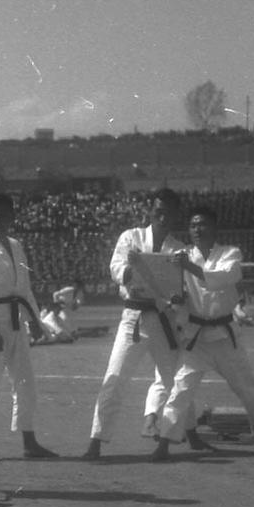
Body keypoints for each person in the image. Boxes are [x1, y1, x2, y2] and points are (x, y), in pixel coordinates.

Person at [82, 190, 208, 460]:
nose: (162, 217)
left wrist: (179, 296)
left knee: (176, 381)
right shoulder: (131, 237)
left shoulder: (179, 250)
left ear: (176, 215)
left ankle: (193, 434)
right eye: (158, 211)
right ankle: (96, 440)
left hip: (165, 320)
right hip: (134, 319)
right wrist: (130, 271)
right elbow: (116, 269)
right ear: (150, 212)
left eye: (168, 212)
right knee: (114, 379)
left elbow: (185, 288)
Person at [151, 206, 254, 461]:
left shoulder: (230, 253)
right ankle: (164, 443)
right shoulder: (182, 256)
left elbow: (224, 278)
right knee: (180, 391)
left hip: (225, 339)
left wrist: (190, 267)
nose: (197, 229)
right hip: (196, 339)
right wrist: (176, 299)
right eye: (192, 225)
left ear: (214, 227)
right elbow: (173, 295)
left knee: (247, 390)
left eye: (202, 224)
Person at [0, 193, 57, 461]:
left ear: (12, 217)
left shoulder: (16, 245)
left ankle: (29, 440)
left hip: (17, 320)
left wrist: (36, 323)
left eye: (4, 215)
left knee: (25, 383)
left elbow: (24, 288)